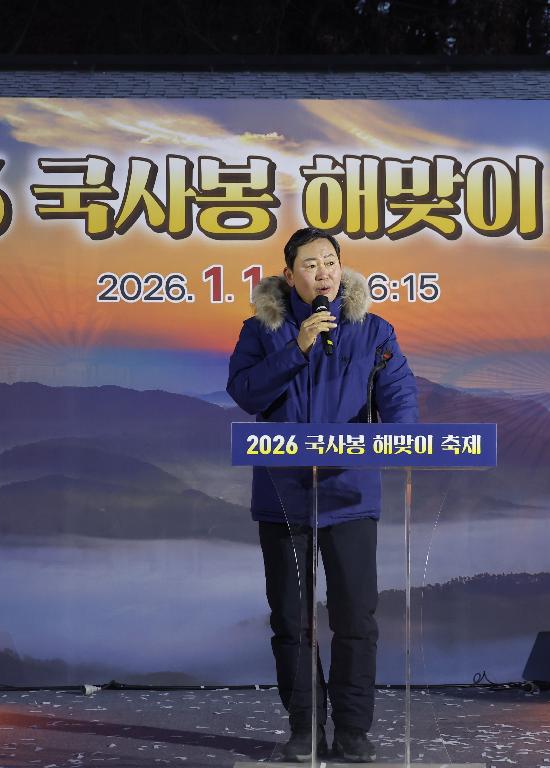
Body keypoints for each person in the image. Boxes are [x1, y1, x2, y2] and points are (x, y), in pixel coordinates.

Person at [227, 228, 418, 762]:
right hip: (283, 496)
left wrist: (404, 439)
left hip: (350, 493)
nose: (323, 273)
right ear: (289, 276)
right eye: (310, 265)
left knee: (356, 619)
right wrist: (297, 348)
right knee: (293, 620)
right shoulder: (261, 331)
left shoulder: (372, 330)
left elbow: (399, 396)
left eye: (330, 262)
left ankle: (354, 732)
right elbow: (245, 394)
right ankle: (305, 727)